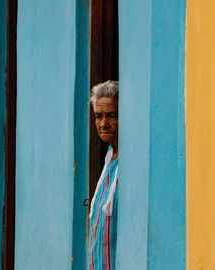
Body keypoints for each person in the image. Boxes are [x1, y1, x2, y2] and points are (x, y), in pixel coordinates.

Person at [88, 80, 119, 270]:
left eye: (112, 115)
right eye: (98, 116)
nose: (103, 123)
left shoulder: (129, 160)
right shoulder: (110, 156)